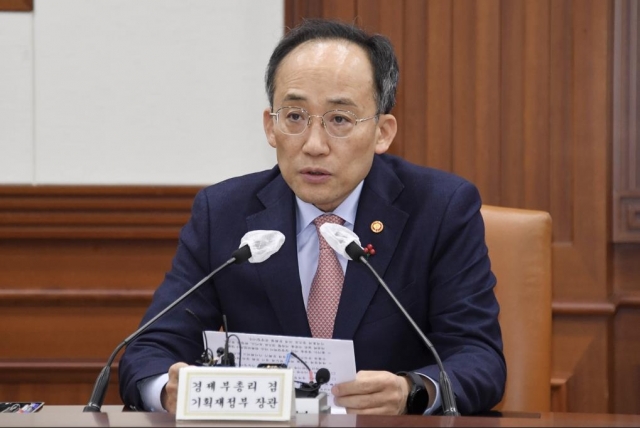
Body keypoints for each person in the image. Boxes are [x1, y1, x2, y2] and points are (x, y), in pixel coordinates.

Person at [118, 18, 506, 416]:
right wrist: (168, 388)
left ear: (382, 133)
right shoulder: (224, 213)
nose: (314, 145)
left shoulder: (440, 209)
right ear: (270, 126)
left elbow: (478, 357)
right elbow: (149, 352)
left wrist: (413, 391)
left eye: (339, 119)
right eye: (295, 117)